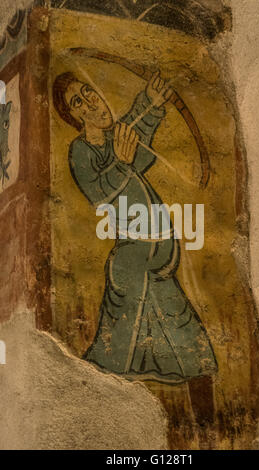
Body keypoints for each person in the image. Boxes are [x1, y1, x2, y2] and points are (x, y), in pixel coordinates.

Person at [52, 70, 217, 384]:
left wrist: (151, 105)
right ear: (73, 116)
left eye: (88, 92)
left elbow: (135, 146)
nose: (89, 103)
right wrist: (121, 163)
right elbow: (99, 194)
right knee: (116, 357)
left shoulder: (118, 140)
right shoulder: (81, 151)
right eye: (77, 103)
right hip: (132, 266)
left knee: (194, 356)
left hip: (159, 264)